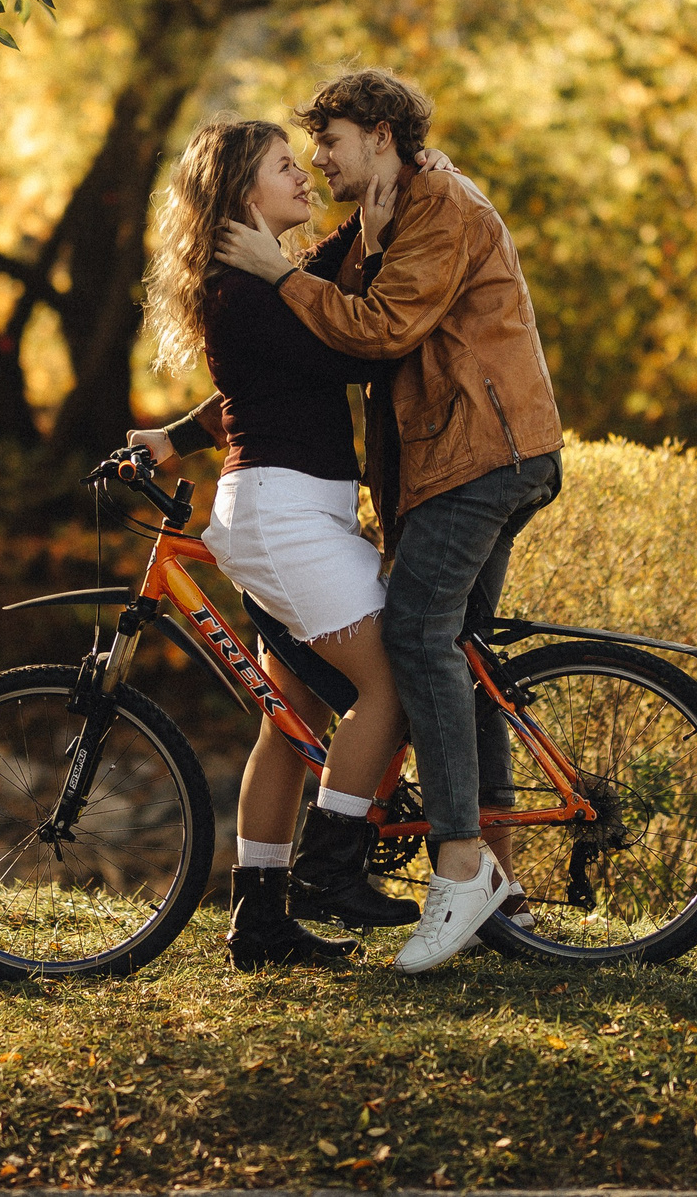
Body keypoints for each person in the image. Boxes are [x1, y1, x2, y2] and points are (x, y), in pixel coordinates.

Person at [212, 68, 564, 975]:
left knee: (414, 641)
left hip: (480, 456)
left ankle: (455, 868)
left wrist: (281, 273)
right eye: (301, 153)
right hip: (447, 464)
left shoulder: (434, 205)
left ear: (378, 134)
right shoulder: (384, 215)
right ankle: (498, 880)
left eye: (326, 143)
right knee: (459, 654)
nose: (319, 161)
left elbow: (375, 331)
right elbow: (272, 371)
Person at [128, 117, 426, 970]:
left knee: (288, 714)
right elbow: (342, 349)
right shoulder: (240, 286)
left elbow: (262, 376)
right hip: (284, 516)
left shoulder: (262, 281)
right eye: (282, 166)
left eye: (301, 162)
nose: (302, 175)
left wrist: (368, 211)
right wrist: (350, 251)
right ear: (241, 191)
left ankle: (259, 920)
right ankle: (329, 869)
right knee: (392, 683)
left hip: (297, 513)